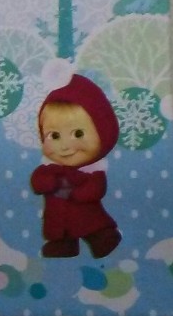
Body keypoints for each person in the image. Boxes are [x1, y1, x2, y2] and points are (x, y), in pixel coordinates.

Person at [31, 74, 122, 259]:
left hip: (86, 215)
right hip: (58, 217)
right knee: (59, 231)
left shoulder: (93, 172)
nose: (65, 146)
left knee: (94, 226)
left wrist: (81, 194)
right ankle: (63, 244)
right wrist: (48, 182)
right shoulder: (49, 169)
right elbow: (37, 182)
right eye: (54, 136)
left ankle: (102, 238)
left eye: (78, 134)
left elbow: (96, 189)